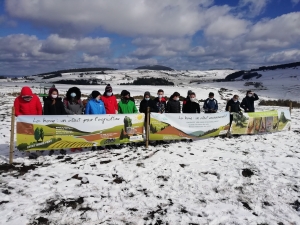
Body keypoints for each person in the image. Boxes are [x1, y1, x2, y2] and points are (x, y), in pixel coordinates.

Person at [43, 87, 67, 155]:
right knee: (52, 136)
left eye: (56, 93)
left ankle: (61, 148)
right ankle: (52, 148)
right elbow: (46, 112)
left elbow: (63, 111)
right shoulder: (47, 101)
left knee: (60, 135)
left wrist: (63, 118)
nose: (54, 95)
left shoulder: (59, 101)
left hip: (59, 121)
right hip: (51, 122)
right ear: (50, 94)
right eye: (53, 93)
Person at [63, 87, 83, 152]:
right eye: (72, 92)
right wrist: (72, 114)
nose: (73, 94)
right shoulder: (66, 100)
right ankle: (72, 145)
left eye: (74, 92)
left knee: (78, 132)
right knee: (71, 132)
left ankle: (78, 145)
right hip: (70, 118)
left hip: (78, 118)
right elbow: (65, 108)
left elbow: (82, 107)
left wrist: (78, 114)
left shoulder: (79, 100)